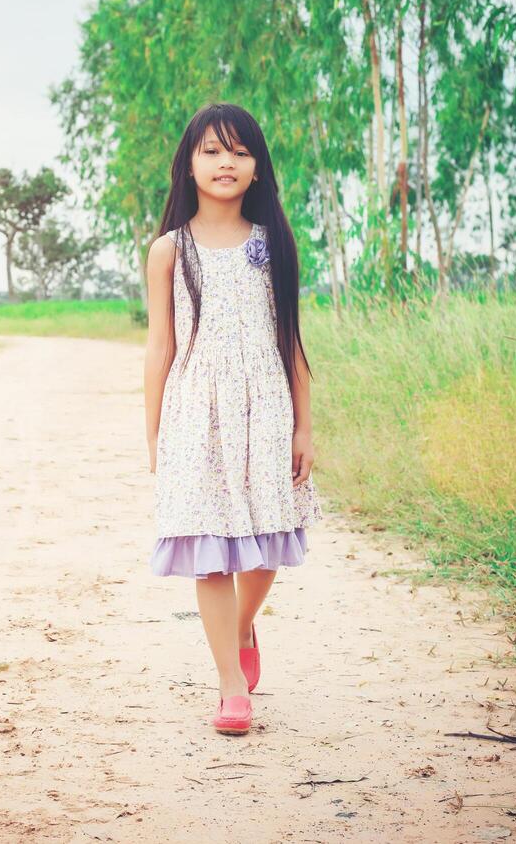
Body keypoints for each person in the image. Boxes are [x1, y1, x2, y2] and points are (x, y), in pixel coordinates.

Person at [144, 101, 323, 736]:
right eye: (213, 151)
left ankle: (245, 622)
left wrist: (304, 426)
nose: (227, 162)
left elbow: (290, 339)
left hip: (266, 408)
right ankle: (230, 686)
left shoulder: (274, 242)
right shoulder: (169, 250)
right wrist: (156, 438)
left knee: (267, 535)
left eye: (240, 151)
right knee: (212, 551)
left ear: (257, 168)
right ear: (189, 165)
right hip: (197, 411)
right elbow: (160, 349)